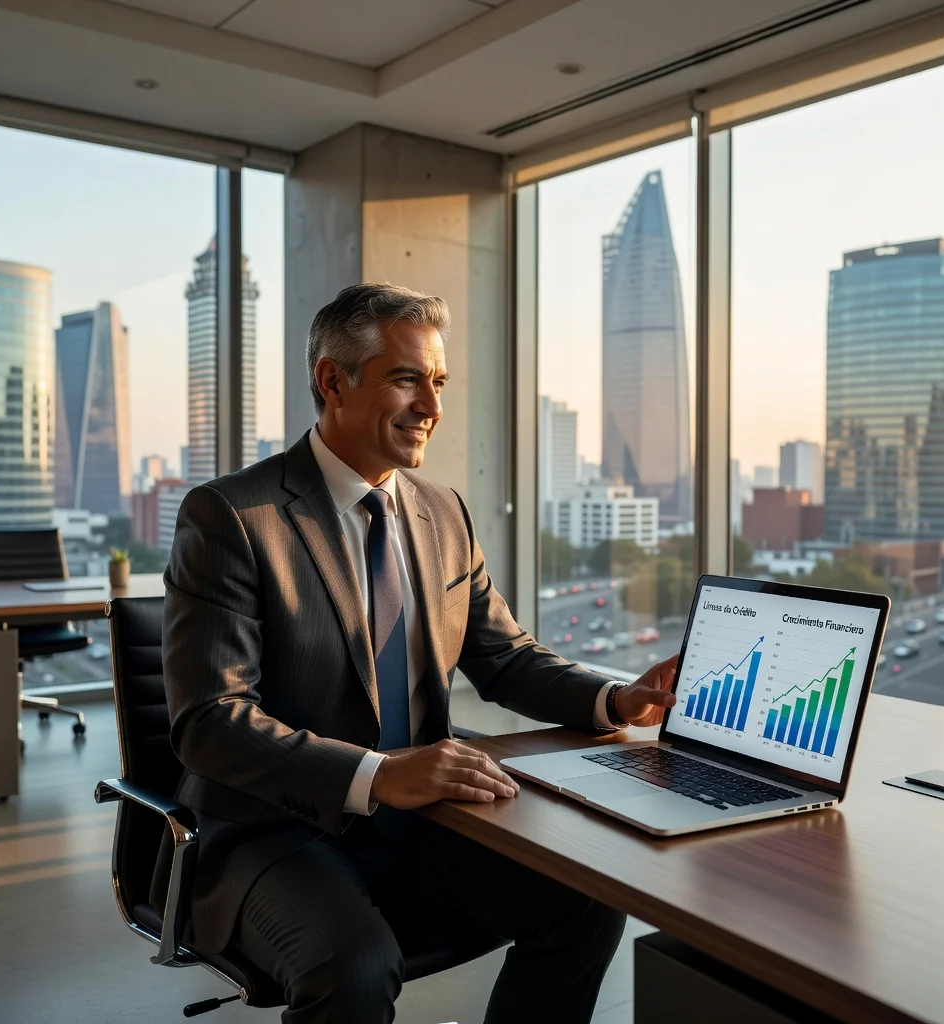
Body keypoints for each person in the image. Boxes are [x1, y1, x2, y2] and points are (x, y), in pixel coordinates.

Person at [161, 282, 679, 1023]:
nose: (432, 406)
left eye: (438, 381)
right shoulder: (234, 517)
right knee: (355, 966)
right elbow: (210, 722)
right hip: (273, 827)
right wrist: (378, 774)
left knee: (587, 901)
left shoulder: (442, 512)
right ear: (332, 381)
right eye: (407, 379)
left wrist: (615, 699)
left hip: (424, 820)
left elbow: (505, 657)